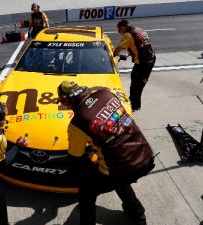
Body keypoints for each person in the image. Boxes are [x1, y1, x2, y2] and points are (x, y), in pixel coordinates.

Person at [57, 80, 155, 225]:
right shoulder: (106, 93)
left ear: (66, 101)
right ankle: (138, 214)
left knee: (87, 191)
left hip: (123, 167)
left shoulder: (77, 123)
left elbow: (75, 156)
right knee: (118, 176)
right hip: (145, 155)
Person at [113, 19, 156, 111]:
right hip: (151, 60)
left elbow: (118, 50)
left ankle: (133, 105)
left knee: (136, 84)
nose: (119, 32)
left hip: (142, 63)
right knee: (139, 83)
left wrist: (111, 55)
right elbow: (140, 46)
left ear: (124, 27)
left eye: (119, 29)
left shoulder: (128, 35)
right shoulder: (141, 30)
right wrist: (128, 55)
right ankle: (135, 103)